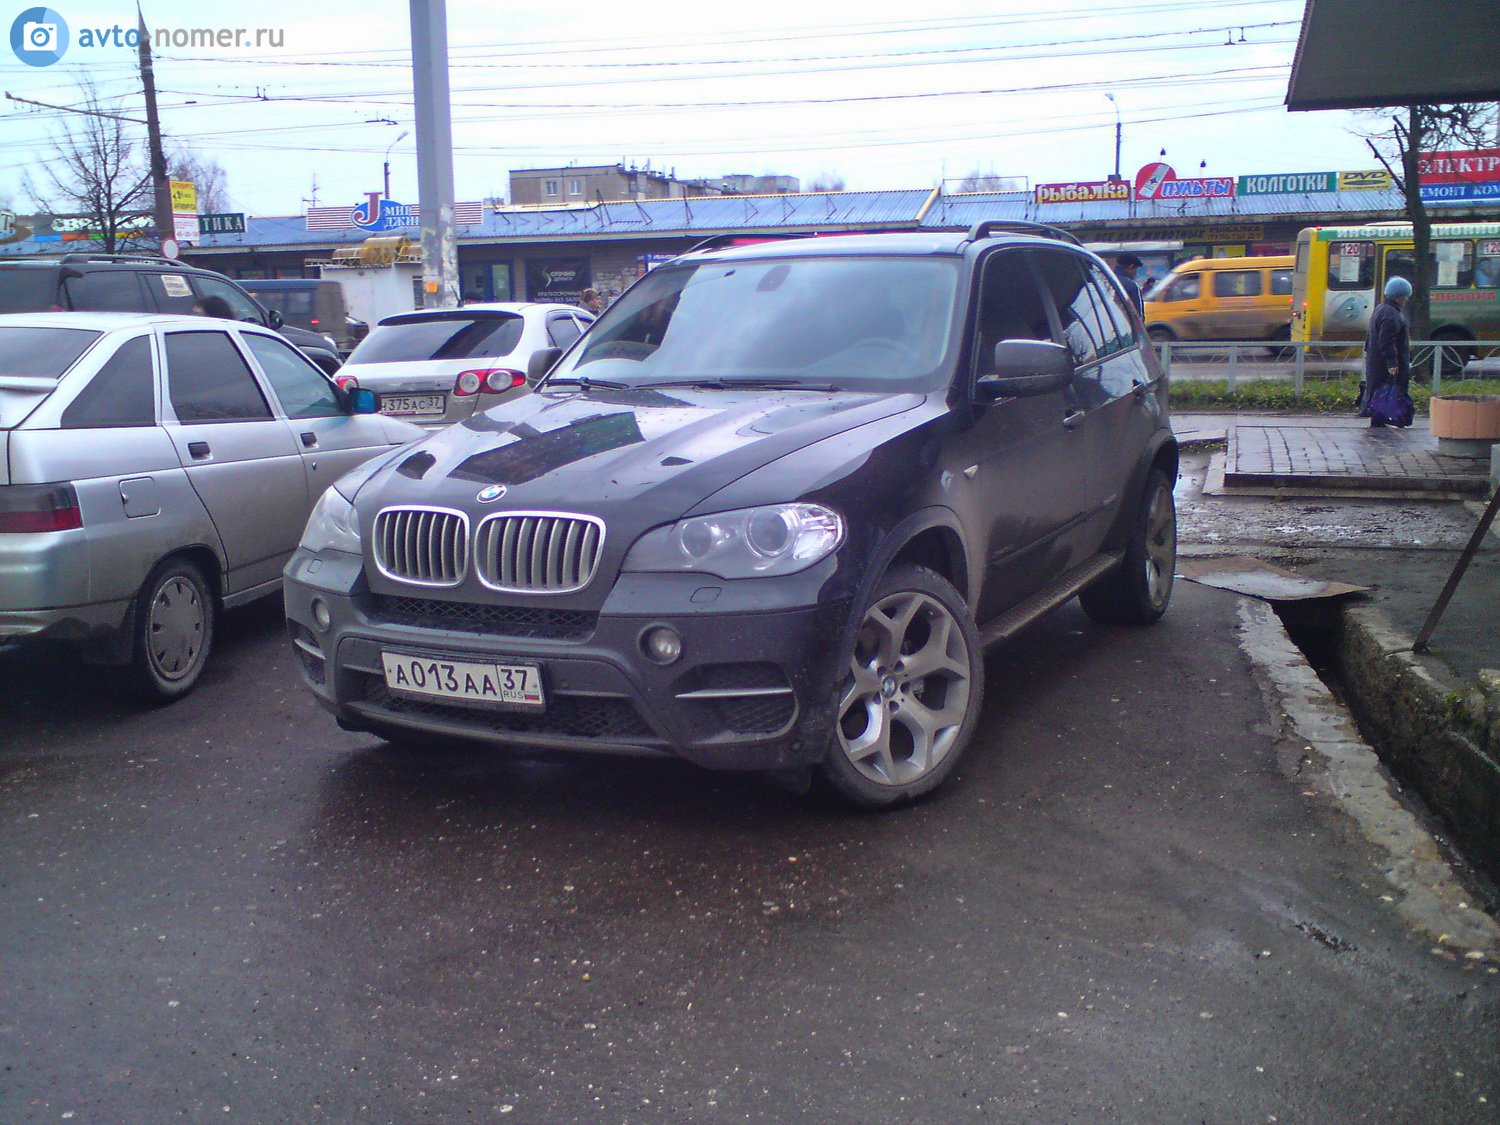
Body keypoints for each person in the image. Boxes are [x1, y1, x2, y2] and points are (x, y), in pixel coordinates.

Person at [1360, 276, 1412, 427]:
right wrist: (1392, 362)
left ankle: (1379, 419)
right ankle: (1387, 419)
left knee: (1380, 391)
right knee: (1388, 391)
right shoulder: (1392, 314)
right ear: (1399, 297)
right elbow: (1387, 340)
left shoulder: (1381, 308)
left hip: (1375, 360)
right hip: (1385, 362)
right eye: (1405, 296)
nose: (1406, 299)